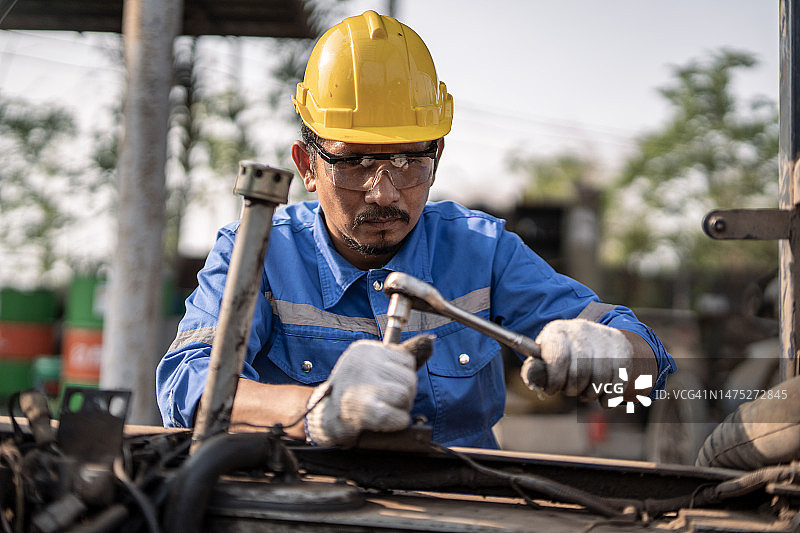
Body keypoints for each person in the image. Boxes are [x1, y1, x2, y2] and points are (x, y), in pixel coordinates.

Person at [156, 10, 675, 448]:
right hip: (302, 502)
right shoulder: (259, 254)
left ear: (437, 157)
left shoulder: (483, 252)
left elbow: (653, 373)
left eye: (408, 162)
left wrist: (612, 356)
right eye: (355, 162)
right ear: (307, 166)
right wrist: (316, 409)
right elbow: (186, 390)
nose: (384, 192)